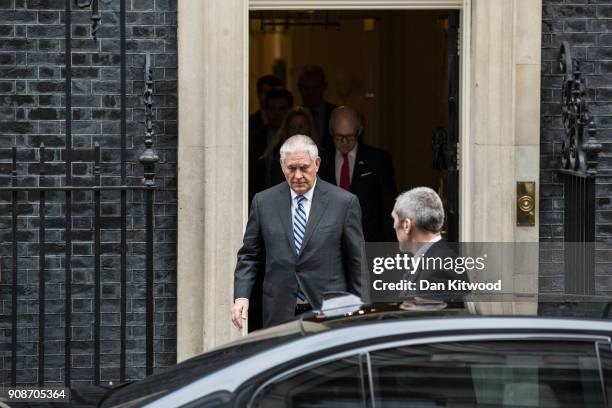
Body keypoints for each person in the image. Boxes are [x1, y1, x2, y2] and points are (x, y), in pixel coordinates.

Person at [232, 135, 365, 329]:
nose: (297, 176)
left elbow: (357, 262)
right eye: (291, 168)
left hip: (329, 310)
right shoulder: (264, 202)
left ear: (317, 163)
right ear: (281, 165)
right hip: (279, 309)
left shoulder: (343, 203)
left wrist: (362, 311)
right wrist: (241, 297)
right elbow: (250, 255)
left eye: (304, 167)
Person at [319, 106, 398, 242]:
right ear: (331, 132)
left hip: (368, 243)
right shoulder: (320, 161)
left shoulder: (377, 160)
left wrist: (390, 250)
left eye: (349, 137)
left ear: (359, 131)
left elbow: (388, 208)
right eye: (339, 137)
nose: (344, 142)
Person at [392, 187, 467, 300]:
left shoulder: (439, 268)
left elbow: (422, 317)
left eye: (394, 220)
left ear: (407, 225)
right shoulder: (434, 258)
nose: (393, 226)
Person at [259, 106, 320, 190]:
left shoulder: (322, 158)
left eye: (301, 127)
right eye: (292, 127)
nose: (297, 131)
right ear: (287, 130)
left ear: (309, 128)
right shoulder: (277, 159)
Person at [249, 89, 293, 201]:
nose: (277, 113)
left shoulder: (297, 140)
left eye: (282, 109)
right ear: (265, 110)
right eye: (273, 109)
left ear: (289, 110)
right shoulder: (254, 139)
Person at [297, 65, 336, 153]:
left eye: (315, 88)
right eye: (306, 88)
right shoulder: (293, 116)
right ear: (299, 88)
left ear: (324, 87)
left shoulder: (336, 115)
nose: (310, 93)